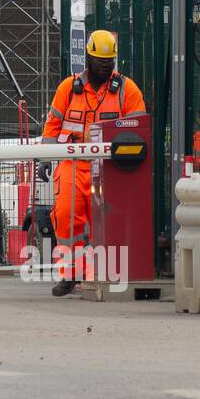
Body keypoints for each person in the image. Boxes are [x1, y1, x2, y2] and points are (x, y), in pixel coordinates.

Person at [41, 30, 145, 297]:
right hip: (73, 163)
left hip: (109, 167)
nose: (105, 66)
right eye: (100, 61)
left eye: (109, 61)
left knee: (107, 221)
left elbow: (139, 126)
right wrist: (44, 157)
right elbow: (52, 125)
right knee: (66, 217)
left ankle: (100, 274)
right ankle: (70, 274)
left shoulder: (126, 90)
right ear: (89, 58)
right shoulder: (68, 88)